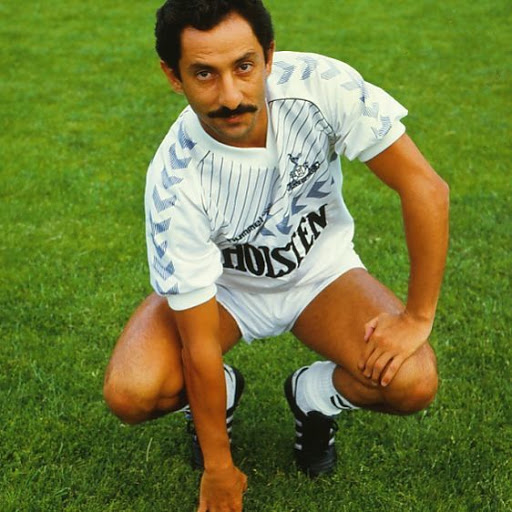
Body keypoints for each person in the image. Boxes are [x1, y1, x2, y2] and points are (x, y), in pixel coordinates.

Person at [103, 0, 449, 510]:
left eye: (244, 66)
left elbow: (425, 188)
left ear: (268, 55)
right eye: (204, 73)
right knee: (132, 392)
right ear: (174, 76)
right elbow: (198, 344)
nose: (231, 96)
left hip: (321, 275)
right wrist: (219, 469)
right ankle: (218, 395)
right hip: (224, 292)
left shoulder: (319, 86)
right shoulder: (176, 183)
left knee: (413, 382)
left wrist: (417, 317)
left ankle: (313, 397)